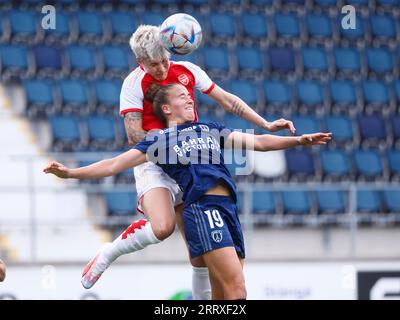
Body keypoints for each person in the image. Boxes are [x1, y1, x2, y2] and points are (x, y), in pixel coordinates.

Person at [44, 83, 331, 299]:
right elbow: (113, 164)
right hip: (202, 209)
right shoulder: (160, 141)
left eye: (189, 94)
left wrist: (299, 141)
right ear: (167, 109)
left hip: (227, 209)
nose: (190, 97)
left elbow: (260, 143)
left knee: (221, 295)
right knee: (237, 290)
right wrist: (70, 173)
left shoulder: (211, 128)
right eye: (182, 96)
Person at [81, 24, 296, 298]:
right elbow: (133, 134)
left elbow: (228, 102)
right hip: (154, 157)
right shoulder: (132, 84)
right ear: (140, 62)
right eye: (152, 65)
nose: (160, 69)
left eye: (163, 61)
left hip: (190, 159)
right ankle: (109, 251)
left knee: (200, 256)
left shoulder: (189, 71)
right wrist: (167, 138)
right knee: (162, 228)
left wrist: (264, 123)